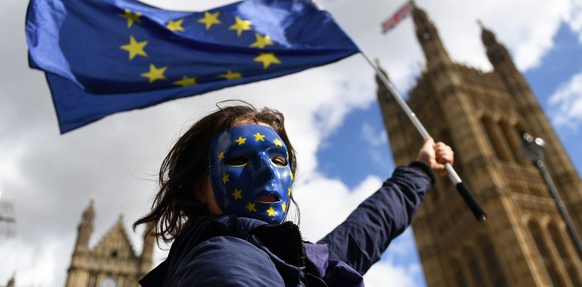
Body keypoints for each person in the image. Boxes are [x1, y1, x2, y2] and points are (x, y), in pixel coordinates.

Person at [134, 101, 454, 287]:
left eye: (278, 159)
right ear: (199, 188)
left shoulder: (293, 261)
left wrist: (421, 171)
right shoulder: (223, 261)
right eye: (238, 159)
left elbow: (364, 232)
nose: (267, 172)